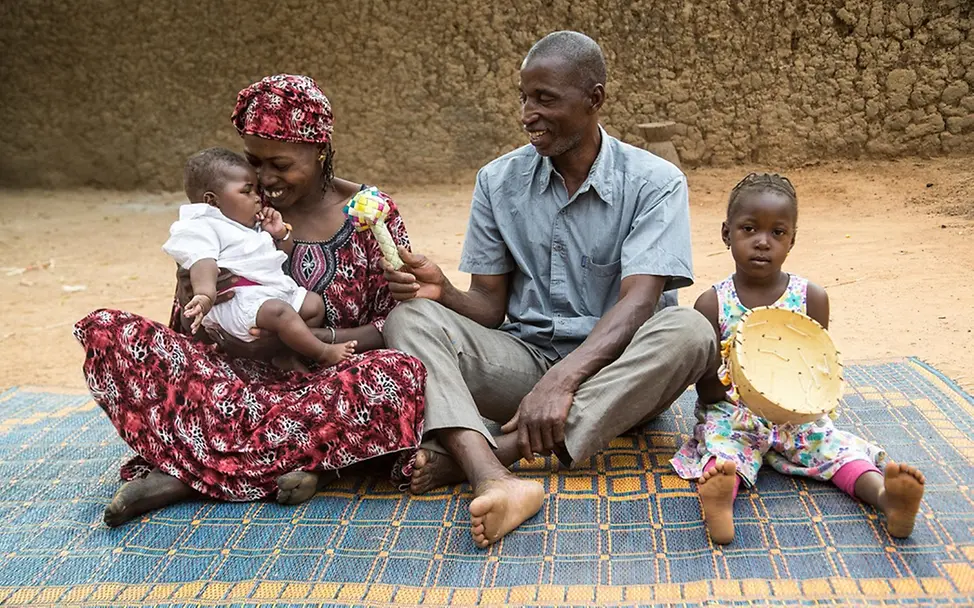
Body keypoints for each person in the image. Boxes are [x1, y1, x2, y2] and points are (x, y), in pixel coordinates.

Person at [379, 31, 718, 548]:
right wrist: (444, 292)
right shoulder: (498, 181)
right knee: (407, 319)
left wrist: (561, 382)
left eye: (545, 99)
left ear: (595, 100)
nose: (526, 114)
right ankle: (491, 478)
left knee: (691, 328)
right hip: (527, 363)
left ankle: (500, 450)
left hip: (625, 376)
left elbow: (640, 301)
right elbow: (490, 307)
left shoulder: (655, 182)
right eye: (523, 97)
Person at [74, 74, 426, 527]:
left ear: (320, 151)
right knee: (111, 331)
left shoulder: (369, 212)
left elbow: (394, 325)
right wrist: (192, 300)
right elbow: (191, 332)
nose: (264, 180)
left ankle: (191, 474)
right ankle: (303, 463)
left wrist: (298, 341)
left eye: (279, 164)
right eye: (253, 163)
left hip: (327, 381)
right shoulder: (228, 211)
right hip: (236, 383)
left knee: (400, 375)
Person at [670, 172, 925, 544]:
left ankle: (886, 498)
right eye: (749, 229)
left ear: (792, 240)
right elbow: (707, 391)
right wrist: (742, 382)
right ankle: (721, 499)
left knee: (835, 448)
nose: (762, 242)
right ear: (727, 234)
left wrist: (794, 409)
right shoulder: (713, 304)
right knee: (721, 447)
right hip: (734, 414)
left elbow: (815, 372)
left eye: (777, 233)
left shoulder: (811, 299)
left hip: (797, 418)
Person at [163, 147, 355, 366]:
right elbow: (202, 263)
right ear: (212, 201)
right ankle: (322, 353)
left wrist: (280, 234)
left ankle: (285, 356)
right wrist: (206, 296)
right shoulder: (201, 226)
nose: (258, 198)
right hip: (236, 302)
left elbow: (276, 259)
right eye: (248, 191)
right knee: (279, 312)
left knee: (313, 305)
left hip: (264, 295)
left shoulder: (242, 222)